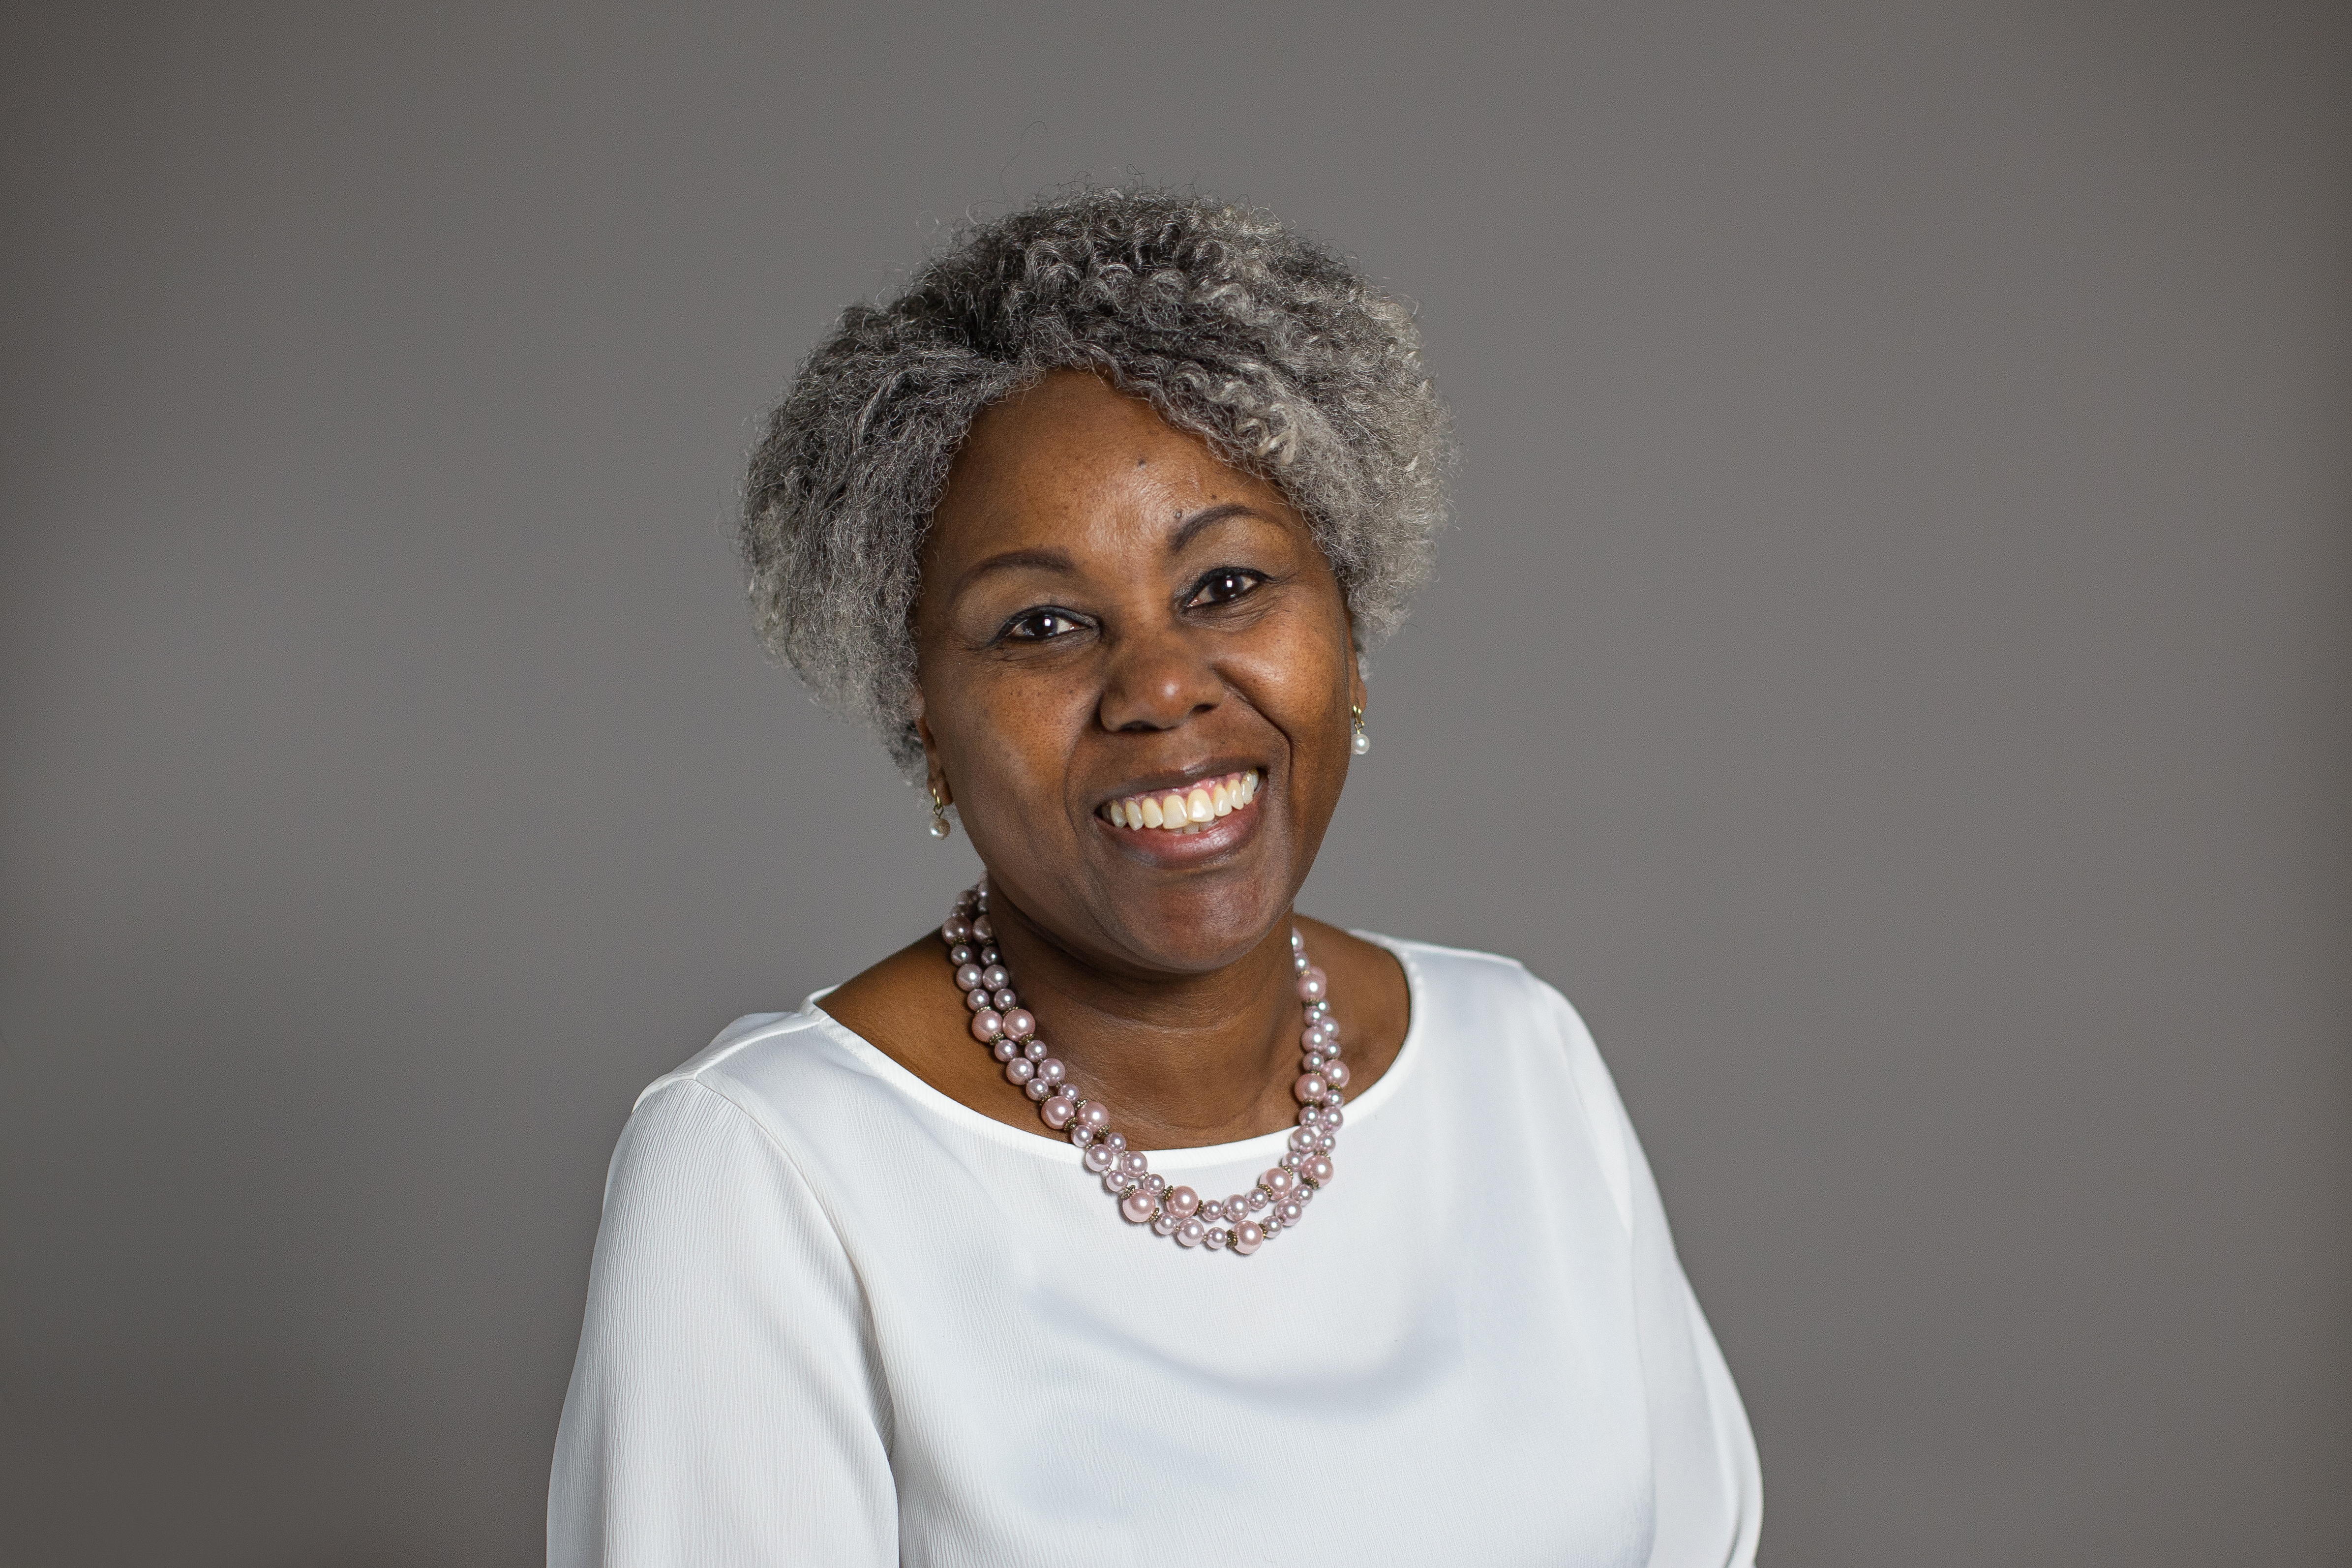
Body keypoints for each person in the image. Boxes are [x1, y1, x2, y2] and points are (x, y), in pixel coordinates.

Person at [549, 187, 1760, 1566]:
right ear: (923, 718)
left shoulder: (1523, 1060)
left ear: (1351, 640)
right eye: (1045, 623)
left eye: (1229, 586)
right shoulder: (772, 1171)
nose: (1165, 686)